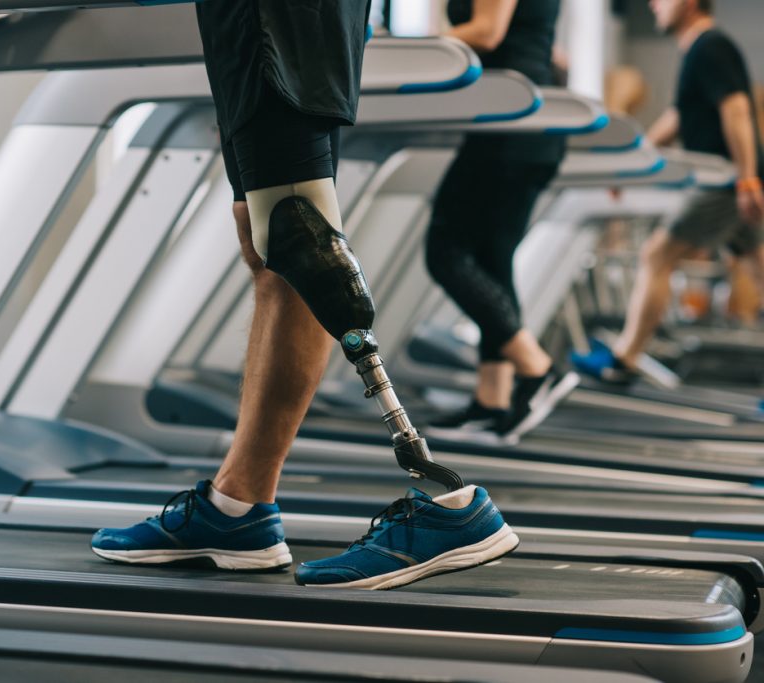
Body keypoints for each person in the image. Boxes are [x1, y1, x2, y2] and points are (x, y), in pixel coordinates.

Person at [90, 0, 518, 590]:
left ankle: (452, 503)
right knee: (268, 241)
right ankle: (237, 508)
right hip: (256, 25)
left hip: (277, 21)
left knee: (295, 230)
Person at [573, 0, 764, 383]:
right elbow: (678, 116)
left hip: (723, 181)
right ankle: (624, 359)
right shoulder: (698, 49)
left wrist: (746, 179)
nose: (653, 5)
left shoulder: (710, 45)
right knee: (760, 268)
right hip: (727, 180)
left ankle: (624, 361)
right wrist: (630, 160)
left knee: (656, 256)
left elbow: (737, 109)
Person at [424, 0, 579, 442]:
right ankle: (492, 398)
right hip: (524, 122)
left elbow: (489, 32)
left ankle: (537, 369)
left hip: (509, 123)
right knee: (493, 262)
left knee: (445, 252)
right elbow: (554, 55)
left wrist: (399, 48)